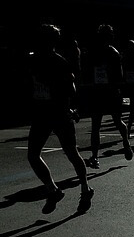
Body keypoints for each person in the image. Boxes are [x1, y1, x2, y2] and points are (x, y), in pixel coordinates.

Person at [27, 24, 94, 214]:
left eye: (43, 39)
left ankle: (85, 188)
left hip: (59, 113)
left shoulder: (59, 63)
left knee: (72, 152)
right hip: (41, 114)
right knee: (32, 155)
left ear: (50, 42)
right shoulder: (33, 60)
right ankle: (52, 190)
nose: (40, 43)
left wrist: (64, 99)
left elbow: (71, 90)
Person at [84, 24, 133, 169]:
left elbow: (120, 76)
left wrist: (113, 85)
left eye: (107, 35)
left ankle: (125, 141)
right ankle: (94, 156)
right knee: (96, 125)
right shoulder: (93, 52)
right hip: (98, 92)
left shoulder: (114, 53)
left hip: (111, 92)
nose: (104, 38)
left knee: (117, 121)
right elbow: (87, 72)